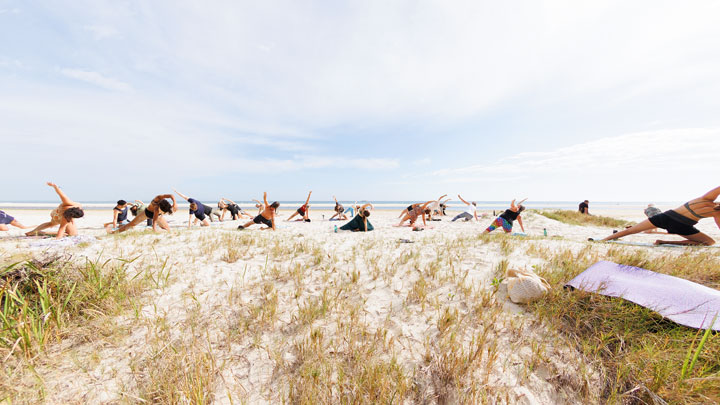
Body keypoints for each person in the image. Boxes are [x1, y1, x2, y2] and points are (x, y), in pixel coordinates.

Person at [600, 187, 720, 246]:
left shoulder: (705, 198)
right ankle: (663, 241)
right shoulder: (717, 213)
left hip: (665, 217)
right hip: (681, 226)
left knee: (631, 230)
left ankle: (604, 240)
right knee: (709, 242)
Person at [109, 194, 177, 233]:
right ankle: (114, 232)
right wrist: (154, 229)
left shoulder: (159, 209)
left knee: (167, 229)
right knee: (131, 224)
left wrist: (174, 203)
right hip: (146, 213)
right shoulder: (157, 199)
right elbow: (154, 220)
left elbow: (171, 195)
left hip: (158, 216)